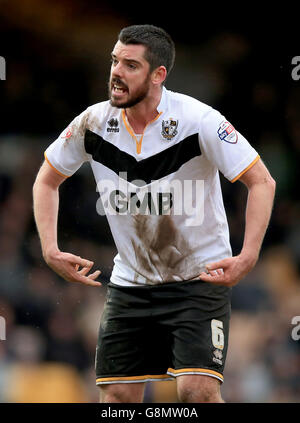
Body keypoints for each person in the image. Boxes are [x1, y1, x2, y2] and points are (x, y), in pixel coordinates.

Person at [33, 24, 276, 403]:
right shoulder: (93, 122)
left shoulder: (199, 120)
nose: (116, 72)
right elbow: (45, 181)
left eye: (130, 65)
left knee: (196, 392)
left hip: (200, 278)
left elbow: (262, 182)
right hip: (131, 282)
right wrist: (49, 248)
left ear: (158, 74)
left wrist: (248, 256)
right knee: (116, 396)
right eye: (114, 61)